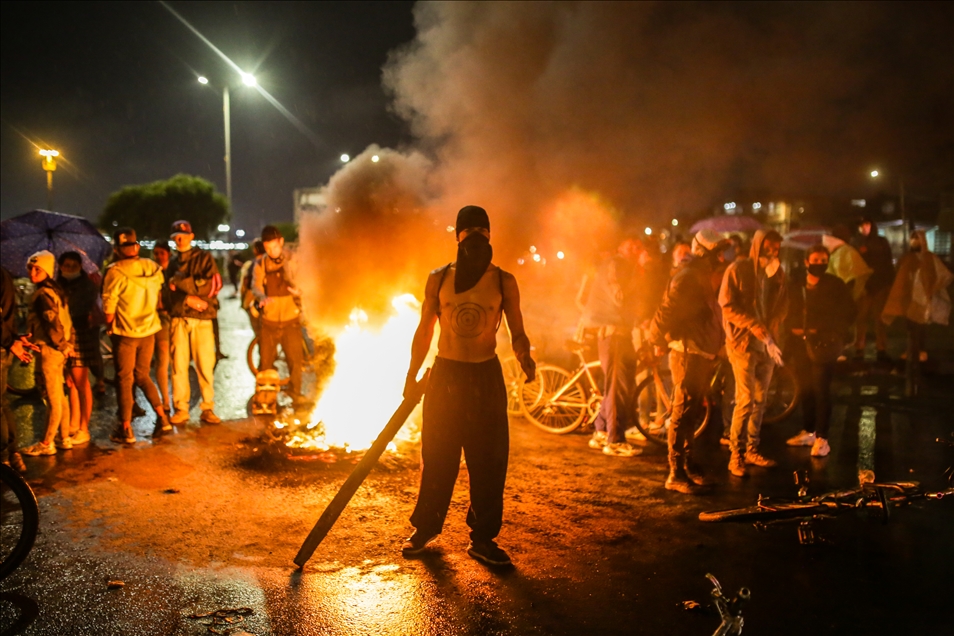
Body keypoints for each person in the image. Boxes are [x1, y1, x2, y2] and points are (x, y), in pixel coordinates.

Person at [401, 205, 534, 566]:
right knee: (438, 456)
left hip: (485, 376)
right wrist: (412, 374)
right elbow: (425, 330)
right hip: (446, 375)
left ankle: (483, 538)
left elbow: (517, 330)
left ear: (490, 235)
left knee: (489, 461)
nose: (476, 234)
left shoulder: (504, 280)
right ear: (457, 236)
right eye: (469, 229)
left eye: (482, 228)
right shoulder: (439, 277)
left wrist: (525, 355)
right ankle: (425, 527)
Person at [649, 229, 726, 494]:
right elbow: (667, 309)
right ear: (704, 252)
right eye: (718, 252)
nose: (722, 257)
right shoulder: (689, 276)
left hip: (699, 352)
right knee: (681, 413)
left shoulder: (700, 274)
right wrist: (655, 338)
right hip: (686, 352)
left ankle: (689, 466)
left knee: (691, 413)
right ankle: (675, 472)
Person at [718, 229, 788, 478]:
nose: (773, 251)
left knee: (761, 400)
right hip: (742, 344)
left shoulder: (777, 272)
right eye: (769, 246)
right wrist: (753, 324)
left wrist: (773, 328)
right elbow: (726, 306)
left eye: (777, 247)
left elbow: (783, 304)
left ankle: (751, 449)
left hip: (766, 346)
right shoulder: (739, 269)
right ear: (758, 245)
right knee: (746, 400)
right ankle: (735, 454)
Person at [101, 228, 171, 443]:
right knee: (142, 376)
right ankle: (163, 419)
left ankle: (126, 429)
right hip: (149, 331)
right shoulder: (153, 267)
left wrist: (110, 326)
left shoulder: (115, 271)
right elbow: (158, 297)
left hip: (126, 334)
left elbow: (109, 307)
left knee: (124, 378)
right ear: (137, 246)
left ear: (117, 249)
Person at [785, 245, 855, 457]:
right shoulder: (797, 286)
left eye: (823, 260)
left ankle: (823, 438)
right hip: (800, 343)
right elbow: (788, 310)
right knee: (805, 389)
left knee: (821, 390)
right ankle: (809, 431)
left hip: (823, 344)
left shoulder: (835, 285)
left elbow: (849, 312)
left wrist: (826, 328)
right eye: (815, 260)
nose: (819, 264)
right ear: (806, 262)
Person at [579, 235, 645, 457]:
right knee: (618, 388)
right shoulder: (617, 264)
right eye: (631, 246)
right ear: (621, 247)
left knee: (612, 387)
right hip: (614, 336)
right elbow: (620, 296)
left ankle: (601, 430)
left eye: (638, 247)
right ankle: (614, 440)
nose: (636, 250)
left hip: (616, 335)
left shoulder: (621, 265)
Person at [167, 220, 222, 425]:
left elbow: (212, 285)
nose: (180, 240)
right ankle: (181, 408)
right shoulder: (172, 263)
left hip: (202, 319)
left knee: (205, 365)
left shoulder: (205, 258)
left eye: (183, 236)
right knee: (178, 366)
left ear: (192, 236)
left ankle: (207, 407)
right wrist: (189, 297)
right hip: (180, 318)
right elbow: (167, 291)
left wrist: (180, 284)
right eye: (176, 237)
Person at [20, 251, 74, 456]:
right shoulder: (57, 291)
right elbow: (68, 322)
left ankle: (46, 442)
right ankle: (65, 437)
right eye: (30, 268)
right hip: (59, 349)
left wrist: (61, 345)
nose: (32, 272)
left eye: (38, 269)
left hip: (50, 350)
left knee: (52, 399)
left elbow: (53, 324)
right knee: (60, 396)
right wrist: (68, 345)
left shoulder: (43, 294)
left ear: (47, 271)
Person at [251, 225, 306, 405]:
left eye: (274, 247)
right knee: (266, 363)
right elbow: (256, 286)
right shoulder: (260, 264)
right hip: (269, 321)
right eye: (267, 248)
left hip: (291, 320)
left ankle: (295, 395)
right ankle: (267, 399)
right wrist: (262, 297)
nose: (271, 251)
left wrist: (299, 290)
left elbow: (306, 280)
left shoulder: (293, 259)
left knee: (295, 362)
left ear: (281, 242)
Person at [881, 229, 953, 363]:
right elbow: (901, 274)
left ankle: (920, 351)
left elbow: (941, 274)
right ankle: (913, 350)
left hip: (924, 298)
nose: (915, 241)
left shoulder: (930, 258)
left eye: (917, 238)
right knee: (911, 325)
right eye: (913, 239)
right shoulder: (908, 258)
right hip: (911, 297)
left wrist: (933, 288)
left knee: (921, 326)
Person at [57, 252, 98, 446]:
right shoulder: (58, 284)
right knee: (70, 381)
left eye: (73, 265)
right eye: (66, 265)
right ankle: (73, 423)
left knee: (81, 382)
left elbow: (78, 309)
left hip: (80, 334)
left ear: (80, 267)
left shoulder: (86, 285)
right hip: (63, 336)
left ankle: (84, 427)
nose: (69, 269)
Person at [2, 266, 38, 470]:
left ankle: (6, 458)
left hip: (3, 346)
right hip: (6, 344)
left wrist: (10, 340)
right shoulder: (5, 275)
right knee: (2, 403)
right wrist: (13, 338)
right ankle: (13, 454)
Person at [851, 217, 894, 362]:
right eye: (861, 225)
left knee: (880, 319)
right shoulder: (855, 242)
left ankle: (881, 349)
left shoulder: (882, 242)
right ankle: (859, 349)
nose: (864, 227)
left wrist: (889, 282)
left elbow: (888, 262)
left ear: (872, 225)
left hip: (880, 285)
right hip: (863, 287)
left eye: (867, 224)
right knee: (861, 319)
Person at [152, 242, 173, 413]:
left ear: (169, 254)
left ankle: (178, 400)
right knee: (163, 359)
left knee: (177, 360)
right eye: (156, 253)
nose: (159, 256)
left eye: (162, 253)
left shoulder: (173, 271)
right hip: (160, 319)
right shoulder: (151, 272)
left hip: (175, 318)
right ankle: (165, 400)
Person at [240, 240, 266, 339]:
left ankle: (265, 353)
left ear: (255, 250)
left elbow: (245, 285)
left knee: (259, 334)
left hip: (254, 304)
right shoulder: (269, 263)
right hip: (267, 303)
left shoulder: (252, 264)